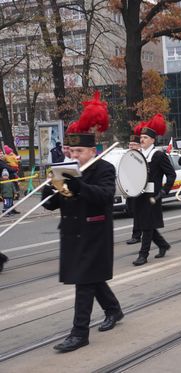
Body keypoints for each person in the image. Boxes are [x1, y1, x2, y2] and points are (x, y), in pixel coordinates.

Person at [42, 92, 123, 352]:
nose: (74, 155)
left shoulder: (104, 169)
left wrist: (78, 186)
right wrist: (50, 188)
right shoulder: (65, 169)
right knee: (90, 278)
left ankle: (79, 333)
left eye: (79, 151)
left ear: (92, 150)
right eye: (71, 150)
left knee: (84, 282)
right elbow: (51, 204)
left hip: (95, 232)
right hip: (71, 232)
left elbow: (105, 196)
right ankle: (113, 309)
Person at [131, 114, 176, 266]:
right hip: (140, 194)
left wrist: (164, 191)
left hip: (153, 195)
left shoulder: (158, 155)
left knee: (147, 225)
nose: (141, 139)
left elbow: (171, 174)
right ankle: (163, 245)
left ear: (152, 139)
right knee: (146, 224)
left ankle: (143, 255)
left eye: (145, 137)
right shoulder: (137, 155)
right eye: (141, 137)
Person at [126, 128, 144, 244]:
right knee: (135, 213)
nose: (131, 146)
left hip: (141, 190)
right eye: (130, 144)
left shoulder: (142, 157)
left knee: (139, 215)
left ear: (139, 146)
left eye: (134, 144)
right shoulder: (128, 156)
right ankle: (161, 243)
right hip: (131, 189)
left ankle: (136, 235)